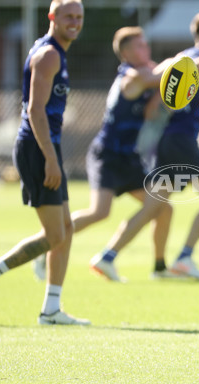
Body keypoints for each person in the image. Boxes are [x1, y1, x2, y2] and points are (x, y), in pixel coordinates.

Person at [0, 0, 90, 325]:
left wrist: (53, 154)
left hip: (48, 146)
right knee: (54, 235)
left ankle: (51, 308)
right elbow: (34, 109)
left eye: (78, 17)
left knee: (65, 229)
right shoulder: (49, 55)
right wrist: (50, 158)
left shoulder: (54, 52)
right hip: (38, 147)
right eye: (68, 17)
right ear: (52, 17)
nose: (74, 23)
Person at [89, 11, 199, 282]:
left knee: (155, 205)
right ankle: (184, 257)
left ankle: (108, 257)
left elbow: (157, 105)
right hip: (180, 139)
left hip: (167, 139)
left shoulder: (180, 59)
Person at [32, 27, 176, 283]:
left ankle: (156, 266)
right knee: (99, 212)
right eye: (141, 46)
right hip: (107, 154)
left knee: (163, 208)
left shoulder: (145, 77)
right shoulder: (133, 77)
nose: (147, 49)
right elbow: (164, 72)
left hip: (128, 157)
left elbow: (151, 112)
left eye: (146, 44)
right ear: (127, 52)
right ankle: (47, 245)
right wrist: (191, 62)